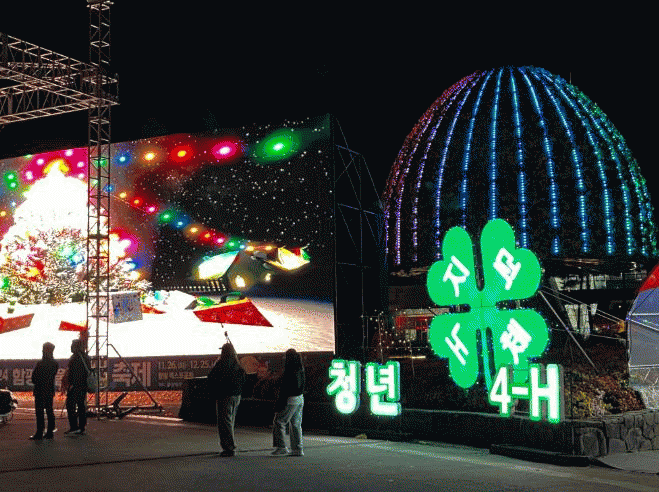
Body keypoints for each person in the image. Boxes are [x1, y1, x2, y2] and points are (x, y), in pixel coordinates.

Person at [207, 342, 246, 457]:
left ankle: (229, 447)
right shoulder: (237, 364)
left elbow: (212, 377)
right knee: (230, 421)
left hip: (224, 396)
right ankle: (230, 445)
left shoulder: (221, 364)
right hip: (236, 396)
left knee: (224, 422)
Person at [271, 348, 305, 457]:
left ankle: (281, 447)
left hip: (290, 400)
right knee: (296, 424)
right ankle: (298, 449)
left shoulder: (289, 371)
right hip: (300, 398)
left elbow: (284, 388)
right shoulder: (300, 369)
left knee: (279, 421)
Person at [29, 342, 59, 440]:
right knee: (49, 410)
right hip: (49, 390)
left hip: (39, 390)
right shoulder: (55, 363)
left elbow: (34, 378)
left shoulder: (40, 363)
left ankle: (39, 432)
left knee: (40, 412)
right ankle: (50, 432)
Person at [64, 338, 91, 435]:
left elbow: (73, 373)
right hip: (83, 385)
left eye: (72, 345)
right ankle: (82, 427)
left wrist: (70, 384)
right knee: (81, 406)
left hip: (75, 385)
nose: (71, 347)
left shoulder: (75, 358)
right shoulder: (86, 357)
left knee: (70, 405)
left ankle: (74, 426)